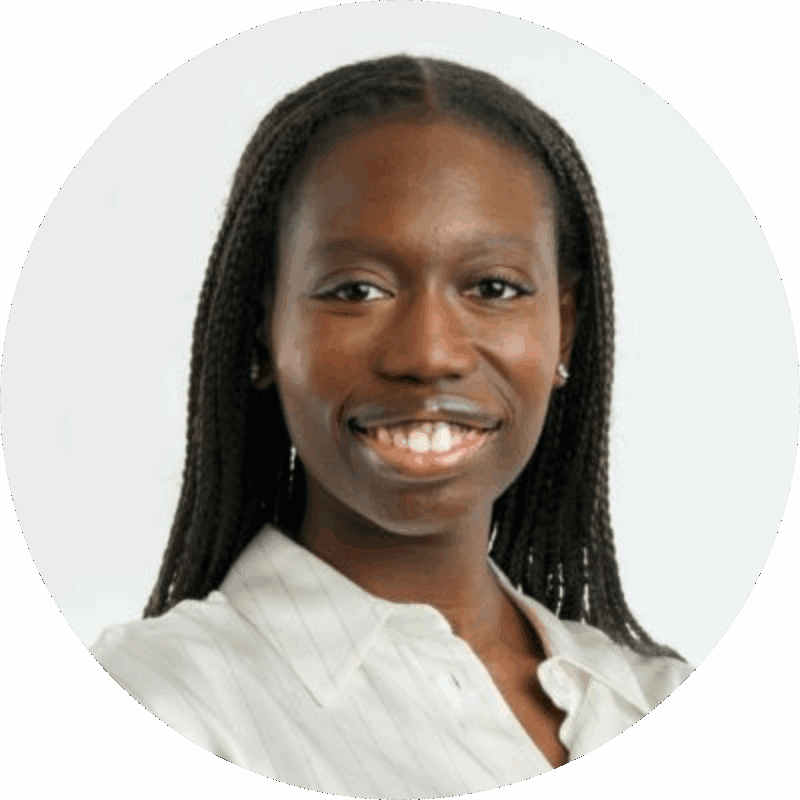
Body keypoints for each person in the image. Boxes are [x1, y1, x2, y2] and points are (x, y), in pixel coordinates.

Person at [91, 55, 693, 798]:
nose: (429, 354)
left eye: (494, 287)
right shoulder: (156, 705)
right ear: (261, 331)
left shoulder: (659, 700)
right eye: (356, 290)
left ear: (562, 329)